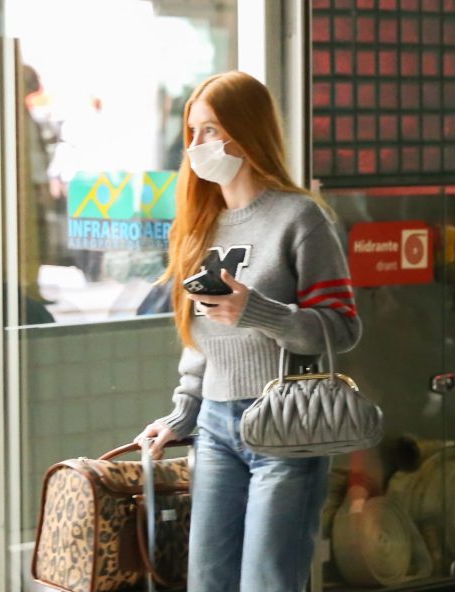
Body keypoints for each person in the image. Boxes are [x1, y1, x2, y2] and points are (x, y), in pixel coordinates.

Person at [134, 70, 361, 592]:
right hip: (216, 427)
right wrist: (182, 412)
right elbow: (202, 337)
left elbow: (342, 329)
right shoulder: (202, 222)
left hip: (284, 425)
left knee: (268, 582)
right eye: (192, 132)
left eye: (210, 130)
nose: (196, 146)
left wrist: (258, 311)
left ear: (246, 131)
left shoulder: (300, 218)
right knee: (207, 580)